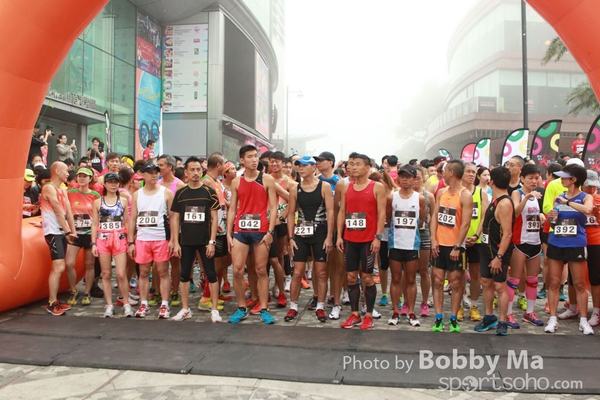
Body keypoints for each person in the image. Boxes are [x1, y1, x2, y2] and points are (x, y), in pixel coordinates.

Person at [227, 145, 278, 325]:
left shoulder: (267, 179)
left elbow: (274, 207)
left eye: (256, 156)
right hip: (240, 230)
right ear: (242, 160)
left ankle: (264, 308)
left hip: (261, 230)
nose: (254, 159)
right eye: (249, 156)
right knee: (237, 270)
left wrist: (270, 231)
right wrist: (228, 233)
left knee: (261, 269)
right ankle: (241, 308)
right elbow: (232, 209)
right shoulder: (236, 182)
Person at [336, 153, 386, 330]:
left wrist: (378, 237)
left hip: (368, 240)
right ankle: (354, 313)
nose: (353, 167)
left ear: (367, 168)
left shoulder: (377, 187)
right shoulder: (346, 187)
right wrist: (339, 236)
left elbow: (382, 214)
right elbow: (342, 212)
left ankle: (369, 315)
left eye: (357, 164)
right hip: (350, 239)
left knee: (367, 277)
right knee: (350, 277)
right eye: (351, 164)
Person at [170, 157, 221, 322]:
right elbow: (174, 218)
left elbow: (214, 218)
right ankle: (185, 308)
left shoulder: (209, 192)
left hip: (205, 241)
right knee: (184, 275)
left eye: (198, 169)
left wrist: (212, 241)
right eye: (192, 169)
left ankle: (214, 309)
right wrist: (175, 241)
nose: (195, 173)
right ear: (186, 172)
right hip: (186, 241)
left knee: (211, 274)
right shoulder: (180, 193)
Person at [284, 156, 334, 322]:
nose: (301, 168)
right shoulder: (295, 188)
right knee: (297, 272)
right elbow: (290, 214)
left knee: (321, 272)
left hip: (320, 233)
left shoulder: (324, 186)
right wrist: (290, 237)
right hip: (301, 233)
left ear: (314, 167)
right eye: (299, 166)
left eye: (305, 166)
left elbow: (330, 212)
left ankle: (320, 306)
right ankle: (293, 307)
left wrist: (329, 237)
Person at [546, 164, 594, 334]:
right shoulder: (558, 197)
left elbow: (588, 210)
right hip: (557, 242)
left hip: (576, 244)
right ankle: (552, 319)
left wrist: (568, 202)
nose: (561, 179)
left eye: (564, 177)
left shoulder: (585, 197)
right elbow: (553, 222)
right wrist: (551, 217)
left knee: (579, 284)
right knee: (554, 282)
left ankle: (583, 320)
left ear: (574, 180)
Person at [430, 159, 473, 333]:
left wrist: (457, 246)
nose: (443, 173)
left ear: (452, 173)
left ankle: (453, 318)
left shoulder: (465, 195)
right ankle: (439, 317)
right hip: (439, 244)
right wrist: (433, 239)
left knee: (455, 283)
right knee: (438, 281)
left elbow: (465, 224)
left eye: (445, 170)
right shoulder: (441, 192)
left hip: (456, 246)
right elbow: (435, 217)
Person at [127, 162, 174, 319]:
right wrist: (130, 242)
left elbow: (173, 218)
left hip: (161, 238)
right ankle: (144, 304)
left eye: (156, 172)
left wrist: (173, 239)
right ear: (143, 175)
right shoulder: (137, 195)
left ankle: (165, 304)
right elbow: (132, 219)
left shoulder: (166, 193)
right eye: (151, 173)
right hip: (142, 239)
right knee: (144, 272)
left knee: (162, 272)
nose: (154, 175)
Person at [474, 166, 515, 336]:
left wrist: (499, 257)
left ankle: (503, 321)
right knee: (486, 282)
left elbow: (508, 234)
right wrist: (476, 235)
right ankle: (489, 316)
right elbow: (487, 221)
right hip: (486, 249)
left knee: (500, 285)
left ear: (492, 181)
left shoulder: (504, 203)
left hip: (498, 251)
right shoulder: (495, 199)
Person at [506, 164, 545, 328]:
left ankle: (529, 312)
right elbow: (515, 212)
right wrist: (527, 196)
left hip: (535, 242)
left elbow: (534, 214)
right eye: (530, 178)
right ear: (522, 178)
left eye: (536, 178)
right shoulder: (518, 193)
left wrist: (541, 215)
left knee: (533, 280)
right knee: (514, 279)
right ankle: (508, 313)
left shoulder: (538, 194)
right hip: (520, 242)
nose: (534, 181)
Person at [386, 164, 425, 327]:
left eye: (408, 177)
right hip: (395, 243)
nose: (404, 180)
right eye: (402, 176)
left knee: (410, 279)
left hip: (412, 244)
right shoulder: (392, 197)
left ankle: (411, 311)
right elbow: (389, 219)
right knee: (395, 278)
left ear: (414, 179)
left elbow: (421, 221)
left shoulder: (420, 198)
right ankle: (396, 311)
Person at [91, 172, 131, 317]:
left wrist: (130, 241)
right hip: (103, 239)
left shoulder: (124, 201)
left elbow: (127, 222)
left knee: (121, 273)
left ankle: (126, 303)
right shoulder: (98, 202)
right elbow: (95, 224)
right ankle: (109, 305)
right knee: (106, 274)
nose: (113, 185)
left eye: (116, 182)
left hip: (120, 239)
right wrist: (93, 243)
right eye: (110, 182)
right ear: (105, 184)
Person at [41, 162, 77, 315]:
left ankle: (54, 300)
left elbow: (68, 212)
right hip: (52, 231)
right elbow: (57, 211)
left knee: (60, 266)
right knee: (59, 267)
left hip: (62, 232)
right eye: (66, 171)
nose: (68, 174)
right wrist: (68, 231)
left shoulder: (63, 190)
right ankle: (51, 302)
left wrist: (73, 232)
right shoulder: (48, 188)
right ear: (57, 171)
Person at [65, 168, 100, 307]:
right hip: (75, 234)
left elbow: (99, 215)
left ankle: (86, 293)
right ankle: (74, 291)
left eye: (85, 176)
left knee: (89, 265)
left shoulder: (95, 195)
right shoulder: (70, 193)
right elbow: (63, 210)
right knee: (69, 263)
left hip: (89, 234)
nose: (82, 178)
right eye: (79, 176)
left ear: (90, 179)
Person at [156, 154, 186, 307]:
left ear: (170, 167)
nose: (158, 168)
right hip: (157, 229)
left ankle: (175, 291)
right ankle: (157, 291)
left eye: (161, 165)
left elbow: (183, 209)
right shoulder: (157, 183)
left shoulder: (179, 185)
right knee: (157, 263)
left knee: (175, 261)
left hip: (175, 229)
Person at [460, 162, 487, 323]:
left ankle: (474, 306)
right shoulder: (457, 193)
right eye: (468, 171)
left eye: (473, 172)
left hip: (476, 241)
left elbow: (484, 216)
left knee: (476, 274)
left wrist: (476, 235)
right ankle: (460, 305)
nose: (471, 174)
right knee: (459, 274)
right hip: (459, 240)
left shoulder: (481, 193)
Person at [413, 166, 434, 316]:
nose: (415, 181)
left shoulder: (429, 196)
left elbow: (433, 216)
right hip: (406, 236)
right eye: (412, 177)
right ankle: (406, 302)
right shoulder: (400, 195)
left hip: (424, 234)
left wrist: (433, 237)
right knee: (407, 271)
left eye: (418, 178)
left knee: (424, 270)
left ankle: (425, 302)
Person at [582, 170, 600, 327]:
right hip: (578, 241)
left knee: (595, 278)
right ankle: (573, 306)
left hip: (596, 242)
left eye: (595, 186)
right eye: (589, 186)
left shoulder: (599, 199)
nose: (592, 189)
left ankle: (596, 311)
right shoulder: (576, 199)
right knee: (575, 278)